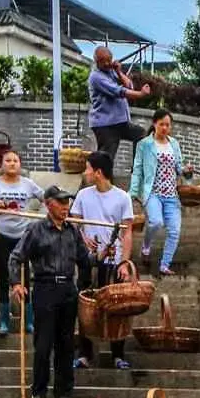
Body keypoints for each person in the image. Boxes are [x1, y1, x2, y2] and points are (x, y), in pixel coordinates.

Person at [9, 186, 92, 398]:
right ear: (48, 204)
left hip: (68, 289)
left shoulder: (72, 231)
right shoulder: (36, 230)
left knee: (66, 344)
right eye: (61, 202)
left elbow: (85, 261)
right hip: (45, 288)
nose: (66, 207)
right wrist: (17, 283)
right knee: (44, 344)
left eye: (67, 202)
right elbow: (16, 257)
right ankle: (39, 392)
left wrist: (87, 282)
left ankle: (64, 392)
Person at [71, 151, 135, 371]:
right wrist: (83, 238)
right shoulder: (83, 196)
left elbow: (127, 232)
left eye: (88, 168)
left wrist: (124, 262)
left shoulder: (122, 197)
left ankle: (118, 354)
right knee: (86, 306)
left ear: (98, 172)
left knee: (117, 307)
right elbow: (75, 224)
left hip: (113, 259)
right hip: (89, 260)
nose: (86, 172)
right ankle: (85, 354)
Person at [0, 150, 44, 336]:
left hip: (23, 235)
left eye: (15, 160)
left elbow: (46, 198)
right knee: (4, 278)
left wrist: (39, 219)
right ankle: (4, 322)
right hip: (1, 235)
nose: (12, 163)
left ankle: (29, 321)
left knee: (25, 275)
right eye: (8, 160)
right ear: (2, 164)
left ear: (20, 164)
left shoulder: (28, 184)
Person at [129, 108, 193, 276]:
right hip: (153, 193)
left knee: (175, 230)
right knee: (156, 222)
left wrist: (186, 170)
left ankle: (165, 265)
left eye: (168, 125)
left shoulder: (174, 143)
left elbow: (179, 167)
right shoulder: (144, 145)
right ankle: (146, 246)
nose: (165, 128)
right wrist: (134, 192)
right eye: (161, 124)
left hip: (172, 194)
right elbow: (137, 170)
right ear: (154, 124)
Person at [87, 46, 152, 162]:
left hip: (119, 122)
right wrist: (141, 94)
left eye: (109, 60)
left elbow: (129, 85)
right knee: (106, 159)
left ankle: (136, 170)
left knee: (141, 134)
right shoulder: (96, 77)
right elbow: (119, 91)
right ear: (96, 61)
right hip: (105, 125)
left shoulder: (111, 71)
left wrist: (118, 71)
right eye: (103, 61)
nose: (107, 63)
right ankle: (98, 179)